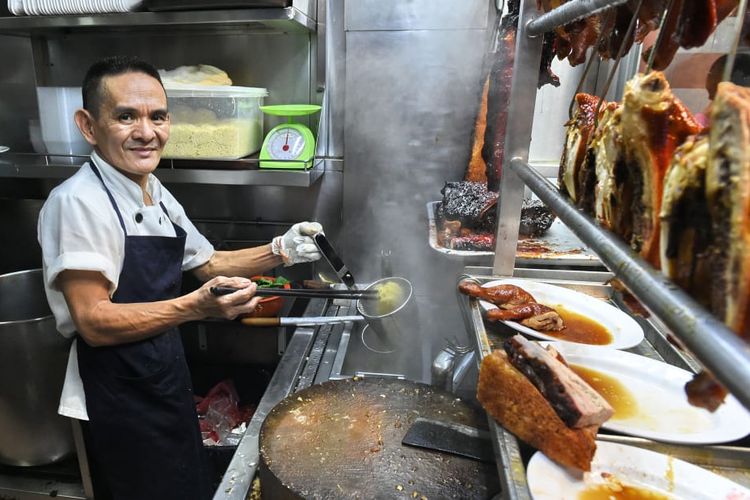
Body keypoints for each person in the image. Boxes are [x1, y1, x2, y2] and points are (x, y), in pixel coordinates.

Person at [37, 55, 324, 500]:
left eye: (158, 116)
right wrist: (195, 306)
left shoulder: (151, 186)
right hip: (118, 396)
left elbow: (206, 264)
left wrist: (281, 250)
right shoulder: (78, 202)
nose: (146, 132)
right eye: (126, 116)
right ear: (89, 126)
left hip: (162, 375)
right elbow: (93, 321)